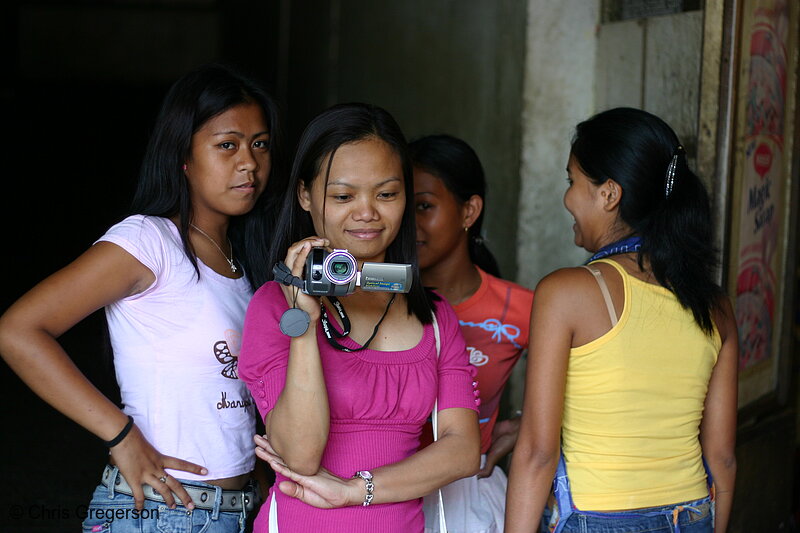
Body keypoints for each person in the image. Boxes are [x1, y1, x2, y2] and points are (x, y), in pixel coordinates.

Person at [0, 63, 285, 532]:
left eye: (260, 144)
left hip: (232, 514)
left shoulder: (245, 263)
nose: (249, 163)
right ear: (183, 156)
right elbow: (20, 331)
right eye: (227, 145)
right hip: (158, 512)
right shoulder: (149, 242)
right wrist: (121, 435)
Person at [238, 103, 481, 533]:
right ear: (305, 196)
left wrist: (356, 490)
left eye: (386, 194)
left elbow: (462, 451)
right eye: (343, 196)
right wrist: (305, 320)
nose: (367, 212)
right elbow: (300, 455)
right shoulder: (274, 306)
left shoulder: (436, 316)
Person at [505, 107, 738, 533]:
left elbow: (538, 452)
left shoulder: (567, 292)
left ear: (609, 194)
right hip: (691, 514)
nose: (567, 198)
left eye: (571, 181)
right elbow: (721, 456)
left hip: (599, 517)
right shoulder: (713, 304)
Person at [409, 134, 533, 533]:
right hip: (381, 490)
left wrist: (528, 424)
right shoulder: (373, 301)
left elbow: (595, 380)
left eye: (424, 206)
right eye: (396, 202)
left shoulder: (520, 307)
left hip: (472, 501)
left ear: (469, 211)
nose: (405, 223)